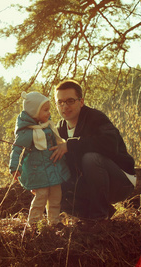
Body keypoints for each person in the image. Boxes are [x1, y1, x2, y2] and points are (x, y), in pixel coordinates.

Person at [50, 80, 136, 226]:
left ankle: (99, 218)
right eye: (60, 102)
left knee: (91, 158)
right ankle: (100, 212)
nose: (65, 106)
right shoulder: (61, 128)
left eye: (70, 101)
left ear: (81, 101)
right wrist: (41, 182)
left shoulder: (95, 118)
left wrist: (70, 145)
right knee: (59, 185)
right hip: (88, 183)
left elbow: (110, 145)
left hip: (120, 180)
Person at [9, 91, 70, 227]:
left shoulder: (48, 126)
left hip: (53, 168)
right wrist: (15, 167)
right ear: (34, 112)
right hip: (38, 173)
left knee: (56, 196)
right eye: (45, 110)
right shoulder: (27, 132)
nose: (49, 113)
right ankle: (34, 224)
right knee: (41, 197)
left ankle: (54, 221)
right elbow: (17, 149)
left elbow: (58, 143)